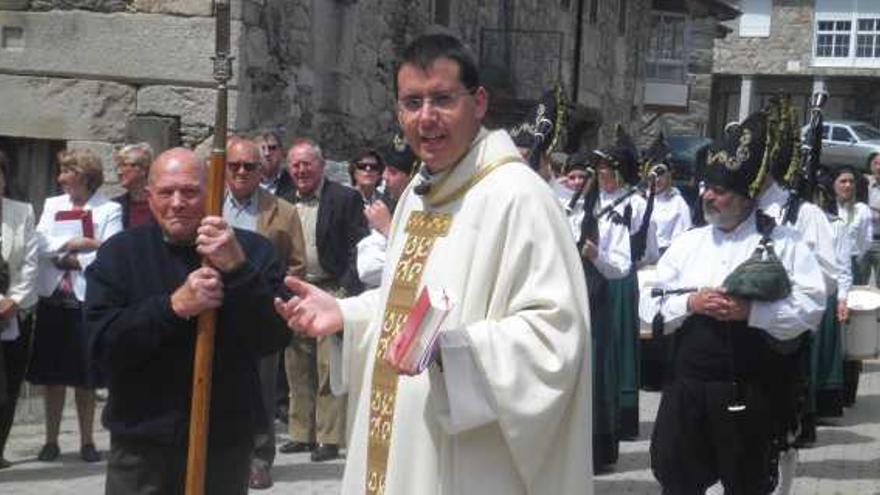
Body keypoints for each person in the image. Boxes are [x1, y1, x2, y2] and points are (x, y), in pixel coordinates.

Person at [275, 33, 592, 494]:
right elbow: (408, 304)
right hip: (403, 439)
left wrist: (452, 351)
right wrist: (346, 314)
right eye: (412, 102)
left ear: (478, 102)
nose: (426, 118)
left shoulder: (518, 198)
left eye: (443, 99)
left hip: (464, 456)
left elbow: (557, 338)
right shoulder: (420, 193)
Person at [640, 108, 826, 494]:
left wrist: (752, 311)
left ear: (746, 196)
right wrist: (689, 304)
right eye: (706, 187)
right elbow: (647, 299)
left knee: (745, 483)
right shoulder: (689, 243)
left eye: (719, 191)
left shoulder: (784, 242)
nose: (707, 195)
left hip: (749, 388)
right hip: (687, 386)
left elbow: (811, 307)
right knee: (677, 478)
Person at [85, 148, 290, 494]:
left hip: (223, 443)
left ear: (211, 192)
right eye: (166, 192)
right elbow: (101, 345)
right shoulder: (120, 254)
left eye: (190, 191)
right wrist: (172, 307)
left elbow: (273, 337)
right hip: (142, 444)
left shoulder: (252, 251)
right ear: (149, 197)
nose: (177, 202)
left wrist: (237, 270)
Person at [27, 148, 122, 463]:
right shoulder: (53, 205)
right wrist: (71, 246)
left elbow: (109, 252)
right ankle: (51, 440)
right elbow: (38, 244)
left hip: (85, 300)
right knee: (53, 376)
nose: (60, 178)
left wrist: (78, 255)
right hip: (54, 297)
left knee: (86, 376)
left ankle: (86, 440)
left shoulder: (108, 209)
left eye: (66, 171)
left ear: (82, 174)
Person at [222, 137, 306, 489]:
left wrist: (278, 301)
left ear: (262, 170)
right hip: (215, 311)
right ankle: (222, 450)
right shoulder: (208, 204)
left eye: (250, 166)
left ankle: (259, 457)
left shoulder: (282, 212)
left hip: (261, 314)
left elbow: (297, 265)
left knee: (261, 389)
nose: (242, 172)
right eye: (234, 165)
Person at [279, 138, 368, 462]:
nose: (301, 170)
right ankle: (301, 433)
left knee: (329, 366)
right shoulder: (282, 200)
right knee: (297, 365)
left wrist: (344, 290)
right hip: (296, 291)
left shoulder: (344, 198)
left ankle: (329, 437)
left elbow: (358, 247)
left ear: (321, 165)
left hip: (332, 290)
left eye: (307, 163)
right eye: (296, 164)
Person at [592, 126, 659, 440]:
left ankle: (624, 413)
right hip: (593, 279)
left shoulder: (636, 204)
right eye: (600, 170)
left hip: (620, 280)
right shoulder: (590, 201)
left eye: (607, 171)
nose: (602, 176)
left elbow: (648, 251)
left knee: (618, 342)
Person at [0, 149, 38, 469]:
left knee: (9, 386)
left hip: (12, 315)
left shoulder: (22, 211)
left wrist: (14, 299)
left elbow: (29, 262)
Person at [357, 136, 418, 289]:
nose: (384, 177)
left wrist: (387, 229)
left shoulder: (426, 209)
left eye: (393, 172)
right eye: (385, 170)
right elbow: (367, 267)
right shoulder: (388, 203)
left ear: (412, 178)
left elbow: (420, 263)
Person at [642, 134, 691, 255]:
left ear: (669, 177)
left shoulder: (677, 203)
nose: (657, 180)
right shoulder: (638, 200)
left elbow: (682, 240)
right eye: (653, 175)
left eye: (661, 175)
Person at [113, 143, 154, 229]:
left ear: (143, 169)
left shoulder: (160, 203)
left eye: (124, 165)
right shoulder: (116, 206)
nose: (119, 172)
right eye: (118, 167)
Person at [258, 132, 294, 198]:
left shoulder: (293, 182)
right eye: (263, 148)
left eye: (272, 148)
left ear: (281, 152)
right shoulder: (247, 182)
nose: (267, 153)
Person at [864, 154, 880, 285]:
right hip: (861, 241)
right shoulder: (862, 183)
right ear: (870, 166)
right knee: (858, 284)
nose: (879, 167)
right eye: (876, 163)